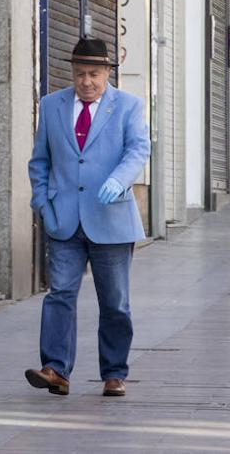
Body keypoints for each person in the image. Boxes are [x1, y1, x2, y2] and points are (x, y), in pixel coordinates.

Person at [25, 37, 150, 399]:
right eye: (80, 74)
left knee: (114, 301)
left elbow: (138, 148)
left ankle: (113, 373)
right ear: (73, 73)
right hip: (63, 219)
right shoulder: (51, 106)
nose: (87, 82)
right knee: (60, 293)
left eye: (94, 74)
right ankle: (55, 369)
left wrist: (119, 179)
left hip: (110, 219)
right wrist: (42, 203)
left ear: (107, 72)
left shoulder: (127, 106)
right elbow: (40, 161)